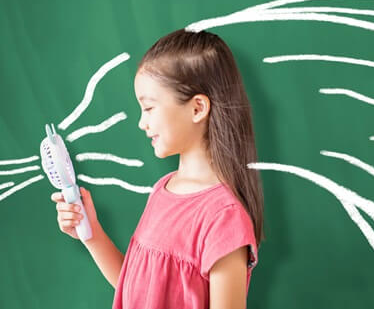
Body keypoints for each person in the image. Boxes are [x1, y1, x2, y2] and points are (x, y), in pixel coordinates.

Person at [51, 28, 265, 309]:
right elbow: (136, 291)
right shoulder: (162, 190)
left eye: (149, 108)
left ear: (197, 108)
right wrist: (92, 235)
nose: (142, 122)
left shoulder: (225, 219)